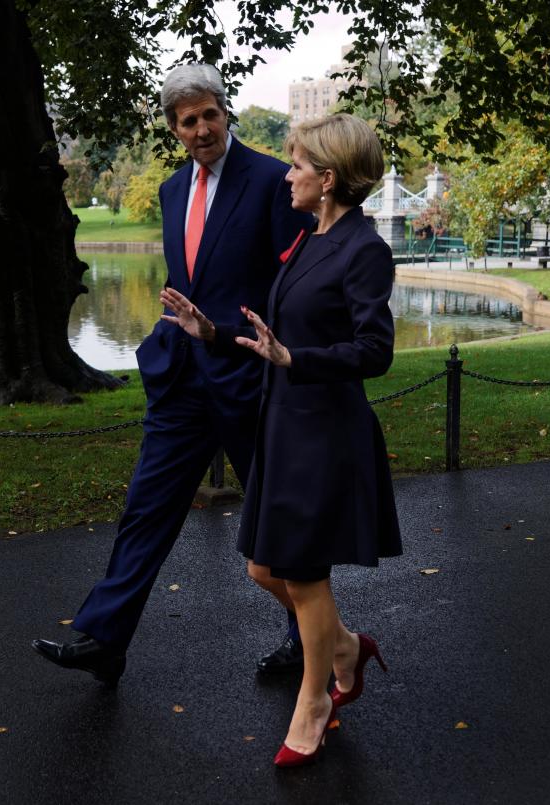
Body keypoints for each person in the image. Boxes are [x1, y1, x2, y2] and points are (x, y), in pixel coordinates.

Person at [31, 64, 311, 686]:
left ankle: (310, 643)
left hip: (249, 380)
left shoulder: (272, 180)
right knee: (146, 508)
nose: (203, 127)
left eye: (211, 114)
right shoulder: (170, 191)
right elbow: (189, 280)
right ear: (175, 129)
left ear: (225, 113)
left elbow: (294, 287)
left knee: (276, 517)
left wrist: (255, 346)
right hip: (182, 381)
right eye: (189, 121)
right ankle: (105, 638)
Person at [160, 113, 402, 767]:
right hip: (285, 426)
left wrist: (298, 359)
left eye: (297, 166)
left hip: (325, 432)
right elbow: (278, 336)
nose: (286, 174)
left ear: (327, 180)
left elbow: (375, 350)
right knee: (265, 569)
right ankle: (347, 648)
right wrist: (210, 331)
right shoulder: (312, 237)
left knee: (303, 575)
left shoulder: (363, 248)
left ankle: (315, 699)